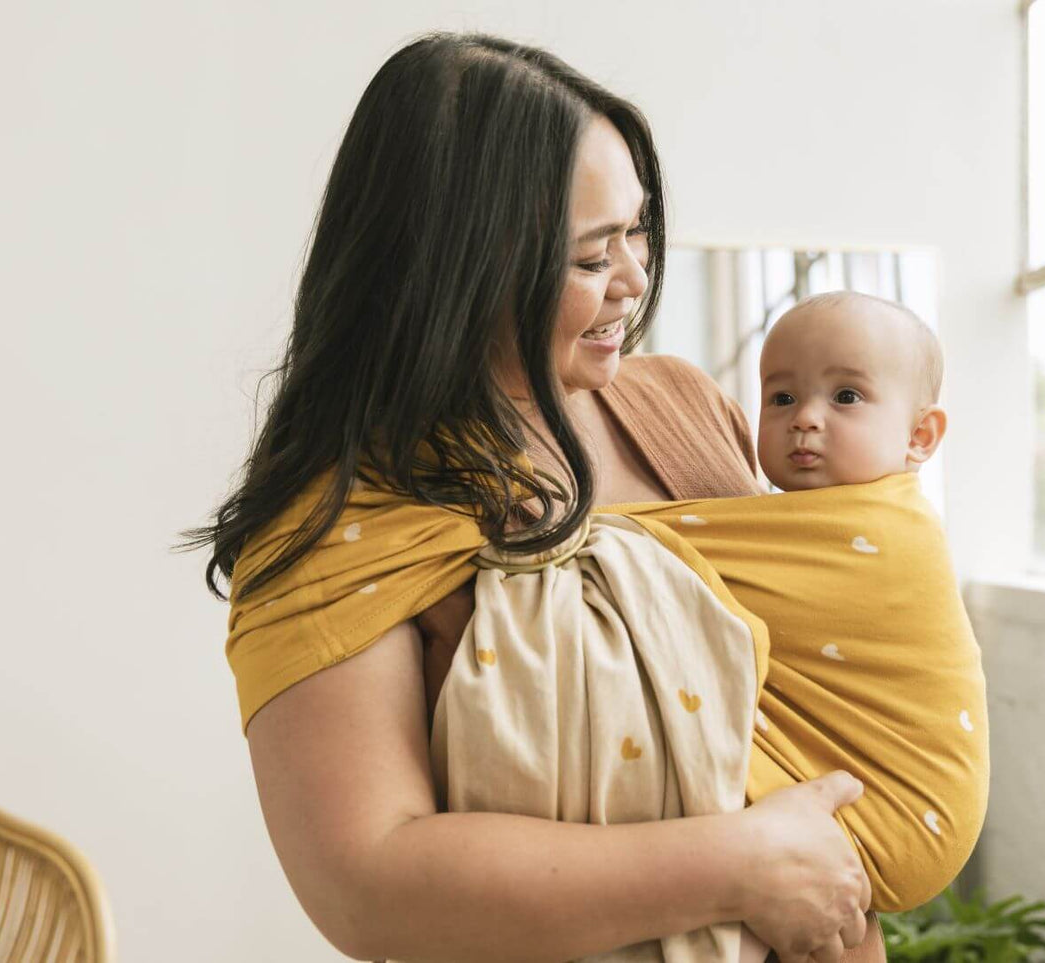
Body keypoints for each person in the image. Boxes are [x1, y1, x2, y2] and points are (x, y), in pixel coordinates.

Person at [187, 32, 883, 963]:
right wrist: (737, 864)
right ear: (457, 268)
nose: (634, 279)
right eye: (593, 256)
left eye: (638, 231)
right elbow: (367, 886)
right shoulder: (337, 527)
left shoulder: (680, 409)